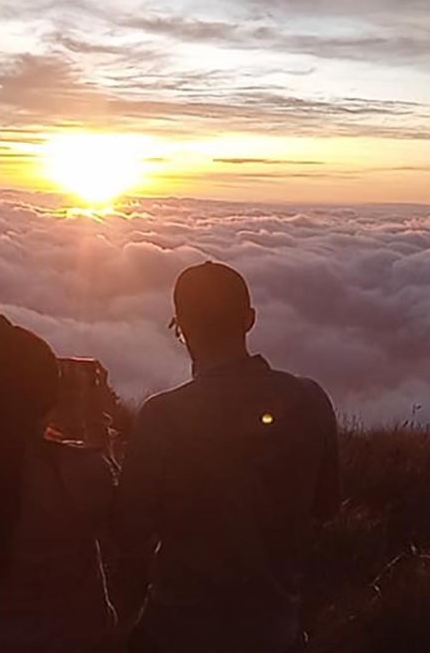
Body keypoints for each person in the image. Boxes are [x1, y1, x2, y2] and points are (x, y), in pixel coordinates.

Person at [115, 261, 341, 653]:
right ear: (249, 320)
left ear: (181, 327)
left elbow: (128, 530)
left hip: (175, 633)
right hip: (274, 633)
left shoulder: (163, 416)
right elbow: (326, 506)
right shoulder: (311, 400)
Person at [0, 324, 116, 653]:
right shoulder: (79, 472)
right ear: (48, 397)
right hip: (69, 641)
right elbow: (121, 523)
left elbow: (0, 454)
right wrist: (93, 418)